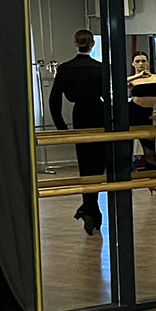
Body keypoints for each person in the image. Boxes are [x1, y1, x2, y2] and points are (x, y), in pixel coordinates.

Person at [48, 29, 109, 235]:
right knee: (97, 166)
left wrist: (61, 127)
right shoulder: (100, 68)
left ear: (75, 43)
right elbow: (109, 96)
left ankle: (90, 209)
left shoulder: (65, 69)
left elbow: (54, 99)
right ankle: (91, 209)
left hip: (80, 115)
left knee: (85, 165)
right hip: (99, 114)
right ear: (92, 44)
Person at [127, 52, 156, 196]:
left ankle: (153, 183)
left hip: (147, 116)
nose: (141, 64)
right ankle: (126, 184)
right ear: (133, 63)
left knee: (150, 150)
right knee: (127, 150)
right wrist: (138, 76)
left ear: (147, 62)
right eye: (137, 61)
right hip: (132, 114)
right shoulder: (132, 80)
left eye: (143, 61)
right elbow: (120, 84)